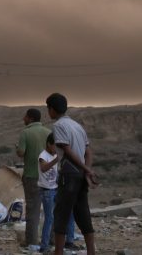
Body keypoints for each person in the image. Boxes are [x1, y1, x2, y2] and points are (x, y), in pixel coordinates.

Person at [46, 93, 97, 255]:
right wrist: (86, 170)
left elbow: (67, 150)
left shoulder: (59, 126)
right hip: (80, 175)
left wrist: (86, 169)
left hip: (69, 175)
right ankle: (91, 251)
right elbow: (88, 152)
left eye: (48, 108)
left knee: (61, 214)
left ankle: (58, 252)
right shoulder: (77, 126)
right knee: (83, 213)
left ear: (52, 109)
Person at [16, 107, 51, 251]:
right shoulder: (49, 132)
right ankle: (51, 239)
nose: (23, 119)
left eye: (25, 116)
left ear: (30, 118)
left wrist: (17, 148)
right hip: (48, 177)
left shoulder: (25, 133)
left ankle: (32, 241)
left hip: (31, 175)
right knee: (50, 210)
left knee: (32, 210)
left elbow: (21, 152)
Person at [38, 133, 76, 253]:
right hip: (47, 191)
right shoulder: (43, 156)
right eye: (56, 146)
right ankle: (44, 246)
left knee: (67, 213)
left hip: (56, 189)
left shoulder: (55, 154)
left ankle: (69, 241)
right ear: (49, 144)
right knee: (49, 218)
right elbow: (44, 168)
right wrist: (56, 160)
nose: (57, 149)